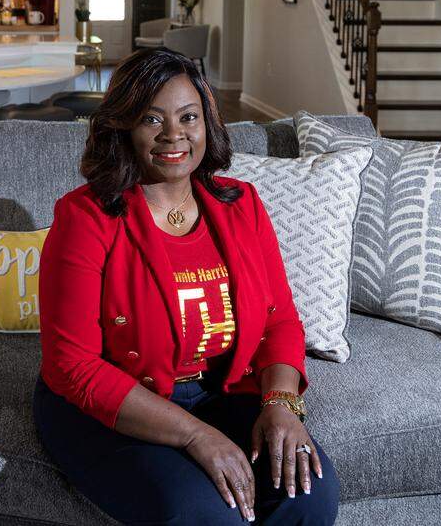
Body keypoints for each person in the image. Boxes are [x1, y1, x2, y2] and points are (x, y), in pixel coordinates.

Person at [35, 47, 339, 524]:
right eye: (151, 119)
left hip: (222, 392)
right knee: (205, 514)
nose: (173, 134)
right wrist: (196, 435)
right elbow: (72, 367)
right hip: (118, 405)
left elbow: (279, 319)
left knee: (309, 495)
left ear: (207, 124)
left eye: (188, 117)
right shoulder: (85, 218)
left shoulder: (241, 204)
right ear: (123, 127)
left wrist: (281, 404)